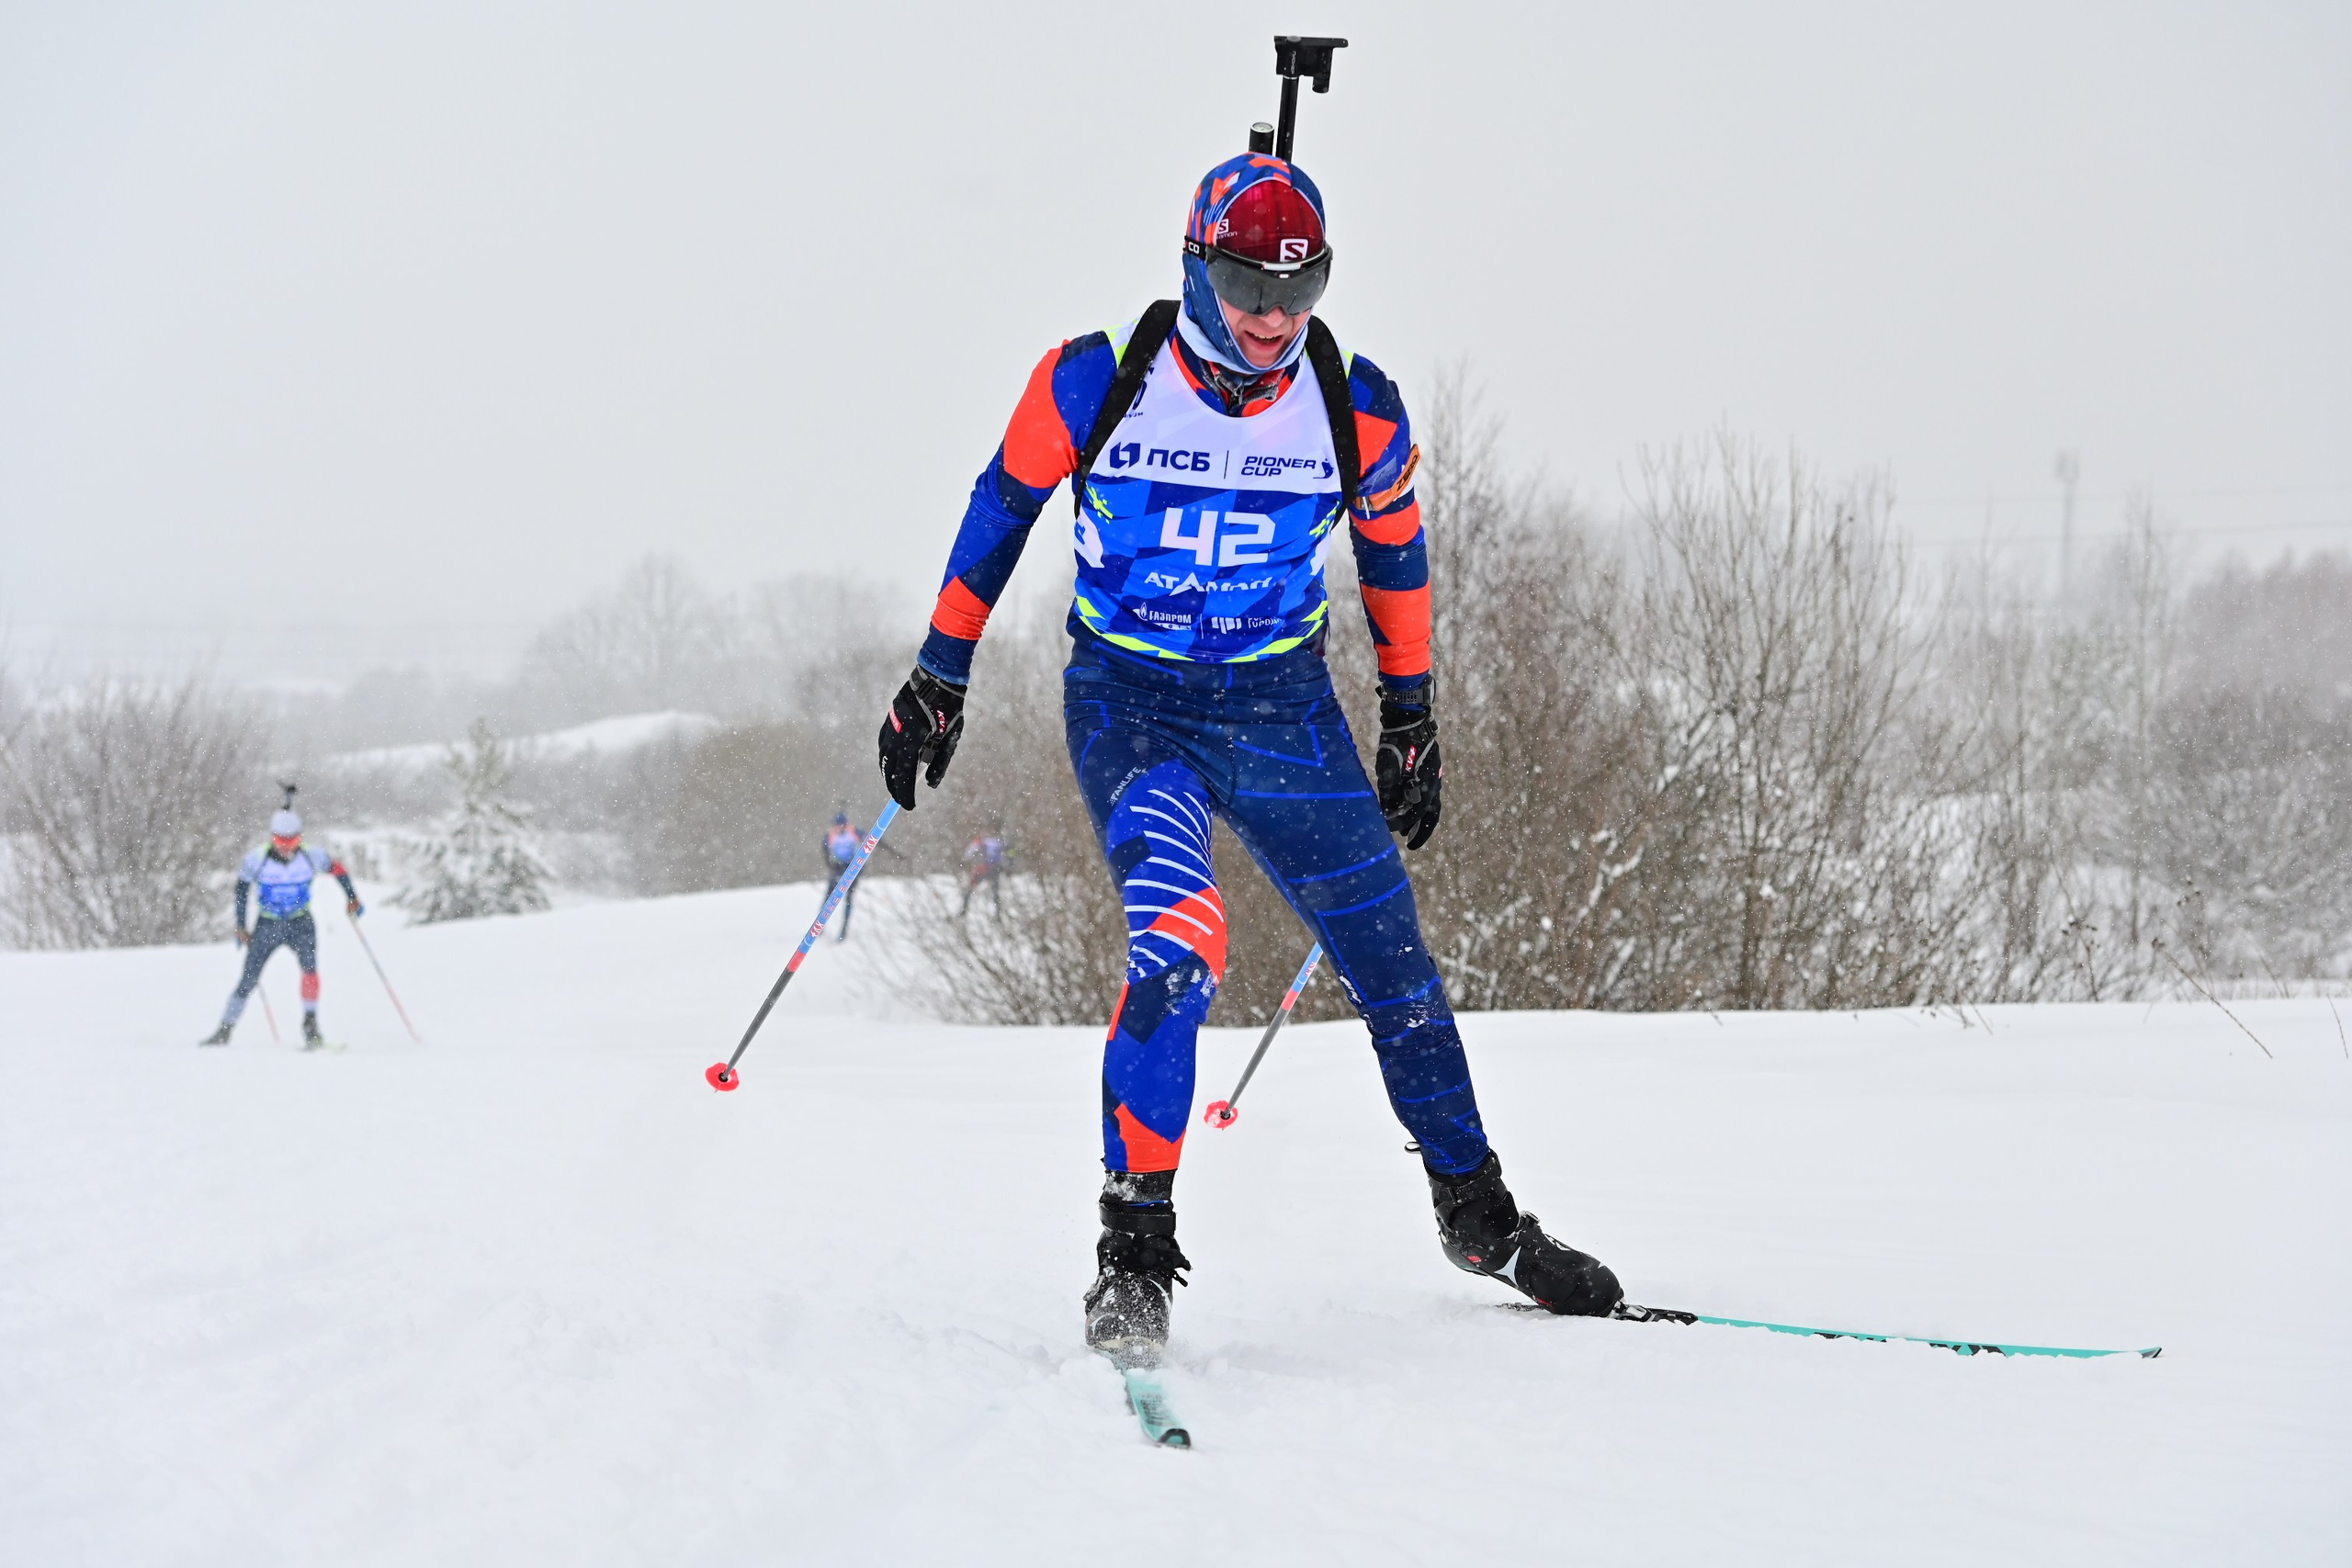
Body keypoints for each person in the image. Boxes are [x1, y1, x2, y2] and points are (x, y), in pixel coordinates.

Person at [876, 152, 1622, 1362]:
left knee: (1394, 962)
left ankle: (1481, 1218)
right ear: (1195, 263)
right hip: (1135, 706)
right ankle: (1133, 1250)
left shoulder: (1353, 404)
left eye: (1300, 285)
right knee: (1179, 943)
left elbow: (1396, 558)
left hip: (1283, 712)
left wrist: (1411, 716)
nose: (1273, 316)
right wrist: (939, 671)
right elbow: (1001, 506)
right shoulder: (1095, 380)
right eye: (1245, 284)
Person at [200, 807, 362, 1049]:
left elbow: (338, 870)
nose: (286, 847)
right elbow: (242, 891)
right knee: (248, 979)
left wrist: (351, 897)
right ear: (272, 837)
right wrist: (241, 925)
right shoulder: (257, 859)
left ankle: (311, 1027)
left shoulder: (311, 855)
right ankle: (224, 1031)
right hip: (268, 924)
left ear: (300, 837)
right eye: (280, 841)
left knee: (310, 972)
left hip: (301, 922)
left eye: (292, 841)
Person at [820, 812, 865, 942]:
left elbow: (873, 840)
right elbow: (824, 852)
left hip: (852, 868)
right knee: (829, 898)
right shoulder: (830, 835)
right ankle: (819, 927)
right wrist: (830, 866)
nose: (840, 827)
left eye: (842, 825)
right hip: (838, 868)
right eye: (838, 825)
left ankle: (843, 931)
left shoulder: (853, 831)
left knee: (849, 899)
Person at [961, 830, 1007, 917]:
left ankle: (964, 910)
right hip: (994, 870)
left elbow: (968, 854)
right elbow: (1004, 855)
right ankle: (998, 914)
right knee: (995, 893)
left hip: (982, 870)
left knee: (970, 890)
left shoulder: (981, 841)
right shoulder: (999, 841)